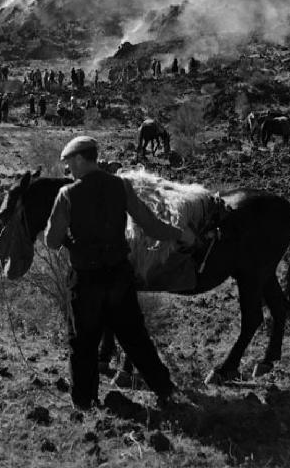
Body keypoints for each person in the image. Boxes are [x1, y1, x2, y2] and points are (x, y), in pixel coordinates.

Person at [44, 136, 195, 410]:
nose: (69, 171)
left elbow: (51, 241)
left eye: (69, 164)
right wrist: (179, 234)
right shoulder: (121, 186)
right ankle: (166, 390)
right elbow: (151, 225)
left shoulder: (67, 195)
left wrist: (68, 239)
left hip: (86, 281)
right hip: (118, 277)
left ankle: (84, 402)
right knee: (136, 337)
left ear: (80, 159)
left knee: (83, 342)